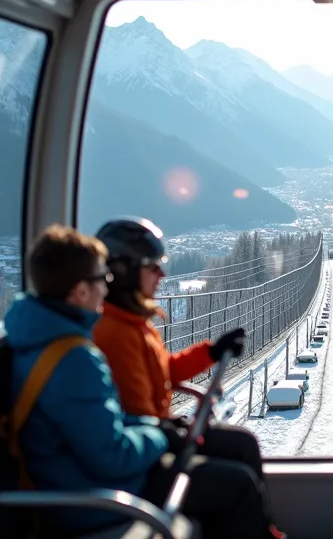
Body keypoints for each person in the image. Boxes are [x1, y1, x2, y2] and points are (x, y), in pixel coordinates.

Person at [2, 224, 270, 539]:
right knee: (235, 484)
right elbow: (111, 452)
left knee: (237, 458)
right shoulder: (81, 353)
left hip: (100, 474)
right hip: (99, 495)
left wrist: (209, 353)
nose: (107, 286)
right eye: (102, 279)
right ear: (81, 291)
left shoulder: (70, 338)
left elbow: (151, 379)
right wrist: (161, 433)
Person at [90, 217, 282, 536]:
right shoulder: (113, 334)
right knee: (238, 484)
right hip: (143, 463)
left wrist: (210, 352)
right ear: (122, 270)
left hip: (155, 441)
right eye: (153, 266)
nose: (162, 274)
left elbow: (163, 370)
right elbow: (138, 413)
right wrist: (171, 429)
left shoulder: (133, 322)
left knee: (243, 445)